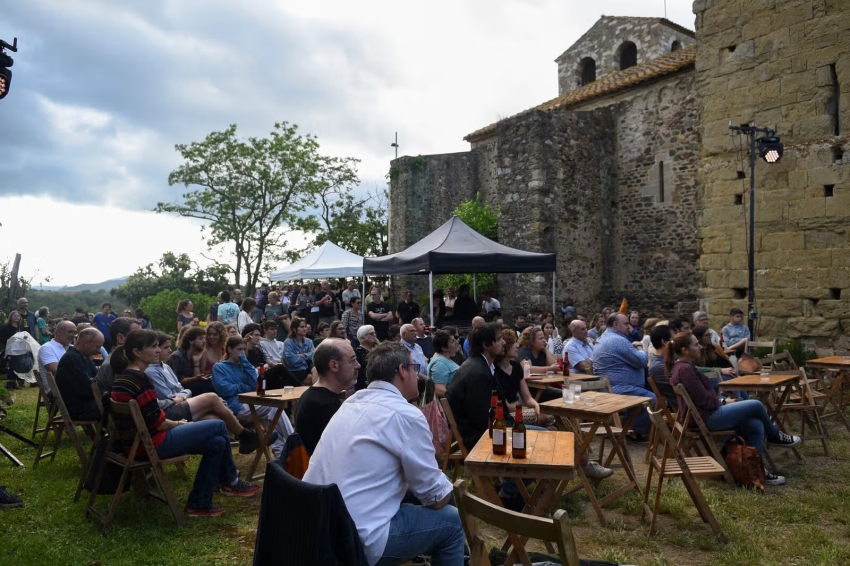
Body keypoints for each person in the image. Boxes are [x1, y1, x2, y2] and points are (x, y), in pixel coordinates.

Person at [304, 341, 465, 566]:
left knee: (437, 494)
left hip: (316, 528)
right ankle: (463, 553)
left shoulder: (351, 402)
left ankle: (462, 553)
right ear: (402, 370)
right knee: (452, 522)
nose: (418, 376)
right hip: (357, 540)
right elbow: (435, 497)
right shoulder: (406, 415)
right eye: (415, 368)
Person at [111, 330, 259, 516]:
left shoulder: (125, 377)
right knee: (219, 425)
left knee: (218, 442)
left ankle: (200, 502)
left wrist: (175, 423)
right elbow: (159, 423)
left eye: (158, 346)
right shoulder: (139, 379)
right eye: (153, 346)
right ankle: (231, 481)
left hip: (137, 442)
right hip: (151, 443)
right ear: (137, 352)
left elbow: (153, 417)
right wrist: (179, 424)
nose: (158, 350)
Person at [667, 331, 800, 486]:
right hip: (706, 418)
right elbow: (705, 401)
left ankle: (756, 472)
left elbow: (704, 398)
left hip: (705, 414)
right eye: (696, 344)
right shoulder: (685, 370)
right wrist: (723, 402)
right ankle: (775, 435)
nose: (701, 347)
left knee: (755, 425)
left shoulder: (685, 367)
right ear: (685, 350)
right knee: (756, 404)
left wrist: (722, 400)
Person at [145, 331, 263, 454]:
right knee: (212, 397)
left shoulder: (165, 367)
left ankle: (228, 467)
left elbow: (182, 390)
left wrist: (183, 395)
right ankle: (248, 437)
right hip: (171, 411)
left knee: (217, 420)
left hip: (180, 403)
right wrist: (183, 395)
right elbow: (169, 397)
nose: (167, 350)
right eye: (163, 347)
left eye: (165, 347)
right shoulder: (152, 371)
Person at [212, 336, 294, 458]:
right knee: (275, 406)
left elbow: (255, 384)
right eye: (239, 349)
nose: (242, 353)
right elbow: (225, 389)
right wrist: (245, 387)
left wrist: (245, 364)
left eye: (244, 349)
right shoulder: (219, 367)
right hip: (235, 405)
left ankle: (280, 456)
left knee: (272, 417)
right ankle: (294, 440)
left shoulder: (245, 366)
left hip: (253, 402)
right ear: (229, 349)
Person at [592, 313, 653, 442]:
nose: (629, 326)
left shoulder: (607, 337)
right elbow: (641, 361)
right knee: (655, 400)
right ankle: (635, 431)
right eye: (626, 324)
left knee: (646, 399)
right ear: (615, 325)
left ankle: (631, 428)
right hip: (618, 388)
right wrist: (642, 348)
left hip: (618, 386)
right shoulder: (617, 340)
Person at [294, 339, 360, 455]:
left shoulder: (313, 396)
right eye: (352, 360)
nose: (358, 365)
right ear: (334, 365)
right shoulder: (324, 406)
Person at [446, 323, 505, 451]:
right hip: (479, 438)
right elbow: (482, 419)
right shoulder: (478, 373)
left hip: (486, 431)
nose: (504, 342)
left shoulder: (481, 365)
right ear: (486, 345)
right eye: (499, 339)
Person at [55, 327, 104, 421]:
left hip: (86, 405)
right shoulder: (72, 359)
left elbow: (97, 377)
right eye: (97, 346)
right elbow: (88, 388)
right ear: (87, 342)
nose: (99, 351)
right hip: (81, 410)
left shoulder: (82, 357)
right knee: (118, 408)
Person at [94, 317, 141, 394]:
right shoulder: (115, 365)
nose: (142, 340)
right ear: (121, 338)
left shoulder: (128, 361)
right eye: (138, 336)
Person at [167, 325, 215, 396]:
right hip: (179, 391)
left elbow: (197, 377)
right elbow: (175, 381)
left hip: (191, 387)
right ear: (191, 341)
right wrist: (194, 378)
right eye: (200, 338)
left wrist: (196, 363)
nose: (204, 341)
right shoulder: (177, 356)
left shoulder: (195, 355)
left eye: (204, 338)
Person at [37, 320, 76, 394]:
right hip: (57, 392)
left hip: (73, 388)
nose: (73, 335)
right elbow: (59, 372)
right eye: (70, 332)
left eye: (75, 333)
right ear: (58, 332)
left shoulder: (73, 348)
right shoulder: (47, 348)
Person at [427, 330, 460, 398]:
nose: (457, 342)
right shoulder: (439, 363)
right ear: (444, 348)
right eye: (452, 341)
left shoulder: (444, 359)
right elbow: (440, 390)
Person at [284, 317, 314, 383]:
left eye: (305, 326)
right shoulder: (288, 342)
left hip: (308, 368)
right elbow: (291, 361)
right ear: (294, 329)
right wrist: (307, 358)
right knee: (312, 378)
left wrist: (302, 355)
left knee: (318, 373)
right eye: (301, 327)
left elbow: (313, 356)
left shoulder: (309, 341)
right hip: (295, 370)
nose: (304, 329)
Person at [0, 312, 22, 389]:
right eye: (14, 315)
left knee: (16, 367)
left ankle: (15, 384)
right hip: (8, 350)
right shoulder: (5, 328)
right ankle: (9, 384)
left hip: (18, 350)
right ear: (11, 317)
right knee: (9, 367)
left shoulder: (20, 328)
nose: (16, 317)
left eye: (18, 315)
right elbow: (2, 339)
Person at [354, 325, 378, 392]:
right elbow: (373, 364)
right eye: (371, 334)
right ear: (363, 337)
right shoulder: (359, 352)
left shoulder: (375, 349)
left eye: (375, 333)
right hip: (364, 385)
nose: (374, 335)